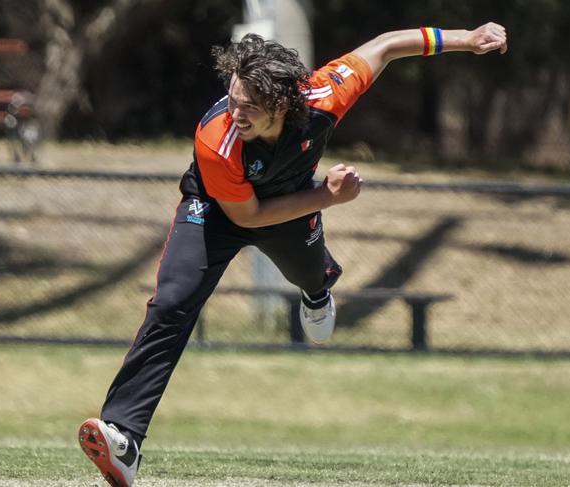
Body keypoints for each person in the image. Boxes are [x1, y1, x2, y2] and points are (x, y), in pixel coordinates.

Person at [78, 22, 508, 487]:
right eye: (233, 96)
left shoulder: (323, 95)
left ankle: (319, 289)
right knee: (172, 303)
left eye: (249, 107)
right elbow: (246, 217)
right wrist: (329, 197)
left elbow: (384, 47)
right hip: (219, 209)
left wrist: (466, 39)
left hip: (289, 206)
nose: (235, 111)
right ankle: (124, 436)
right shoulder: (216, 138)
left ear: (283, 105)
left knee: (310, 277)